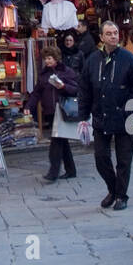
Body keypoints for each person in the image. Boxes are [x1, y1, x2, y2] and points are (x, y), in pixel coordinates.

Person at [77, 20, 133, 210]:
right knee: (101, 158)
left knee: (124, 160)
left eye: (115, 33)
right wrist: (83, 116)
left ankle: (121, 196)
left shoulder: (128, 58)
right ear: (101, 37)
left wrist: (129, 108)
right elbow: (84, 89)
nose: (113, 36)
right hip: (101, 117)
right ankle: (113, 189)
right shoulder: (93, 60)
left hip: (124, 118)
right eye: (109, 33)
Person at [24, 44, 80, 182]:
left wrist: (63, 86)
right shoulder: (44, 75)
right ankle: (71, 170)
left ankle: (53, 172)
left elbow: (76, 89)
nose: (47, 61)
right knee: (62, 140)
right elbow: (36, 93)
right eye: (46, 58)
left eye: (50, 58)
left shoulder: (67, 72)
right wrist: (28, 107)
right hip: (50, 111)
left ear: (56, 58)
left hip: (62, 110)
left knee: (56, 141)